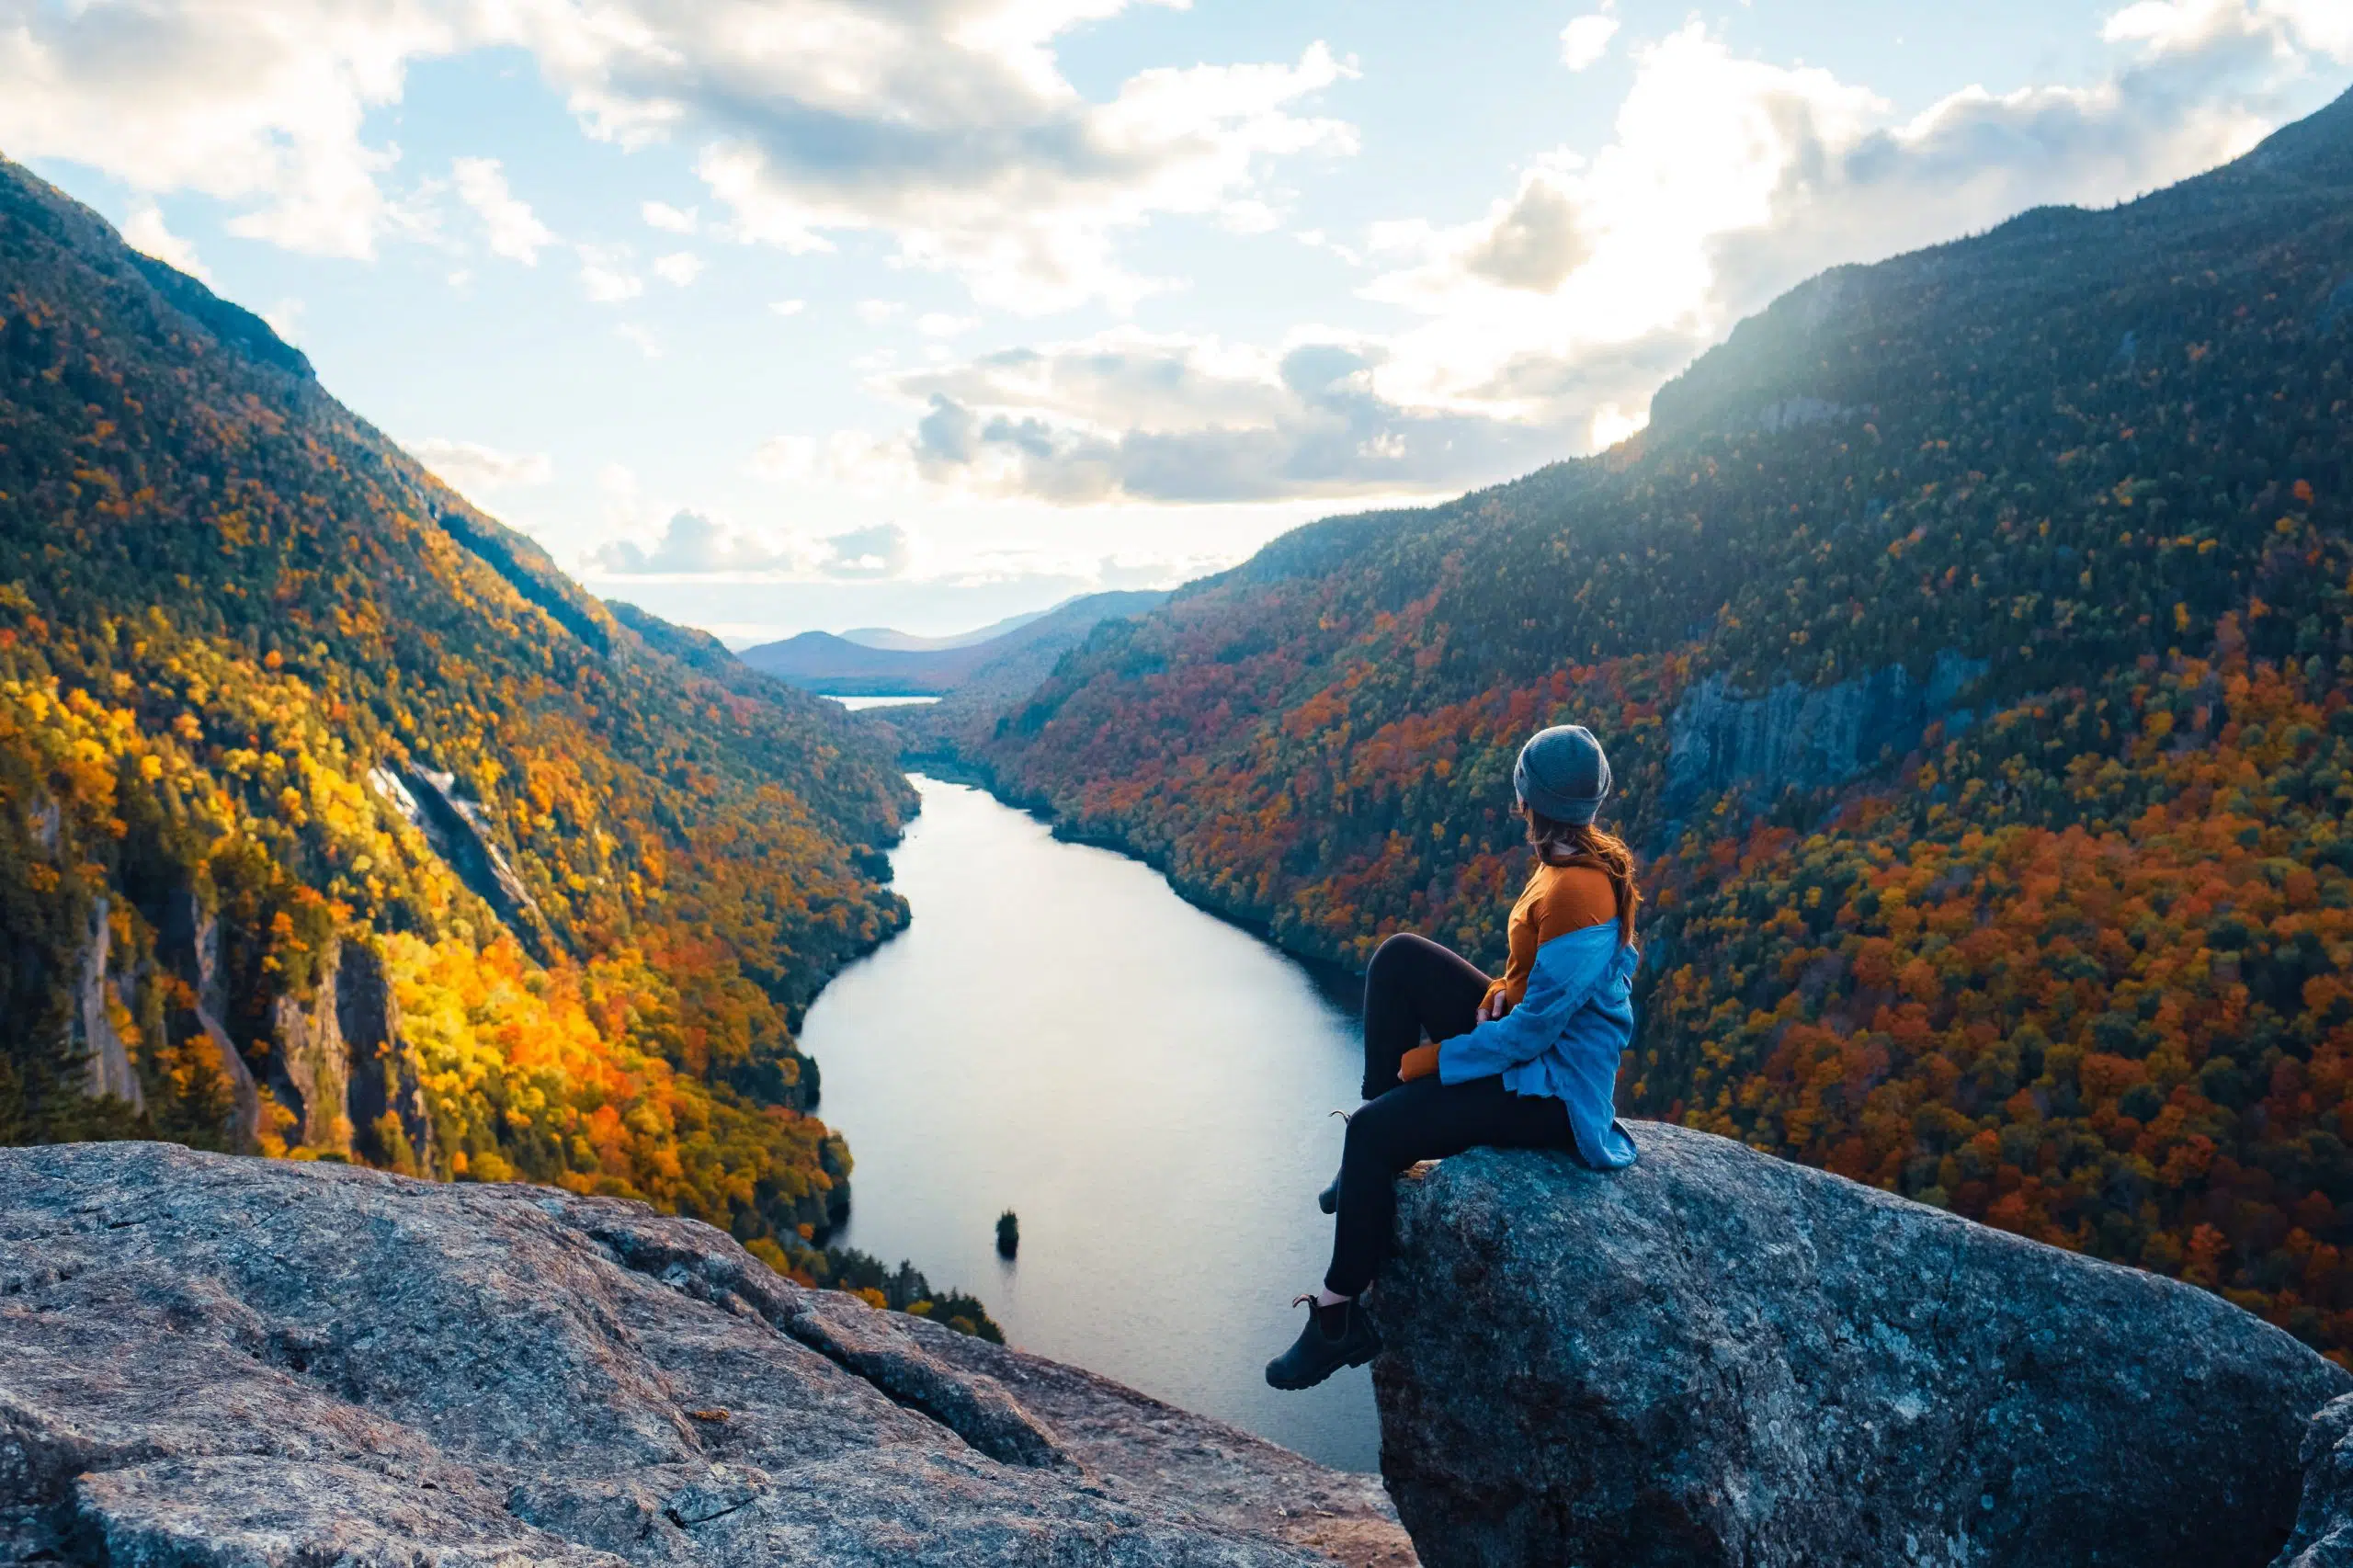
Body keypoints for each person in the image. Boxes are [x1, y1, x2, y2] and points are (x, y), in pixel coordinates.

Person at [1265, 723, 1643, 1391]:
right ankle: (1366, 1158)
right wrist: (1499, 992)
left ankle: (1336, 1318)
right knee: (1398, 959)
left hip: (1553, 1094)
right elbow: (1537, 985)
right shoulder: (1565, 860)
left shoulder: (1578, 891)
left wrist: (1425, 1064)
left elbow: (1531, 1037)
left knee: (1374, 1137)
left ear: (1529, 796)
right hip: (1535, 1050)